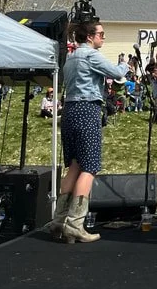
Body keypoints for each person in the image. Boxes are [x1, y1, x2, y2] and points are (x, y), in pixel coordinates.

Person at [46, 15, 128, 244]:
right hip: (87, 110)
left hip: (70, 111)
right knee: (89, 167)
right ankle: (75, 224)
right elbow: (117, 73)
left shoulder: (71, 57)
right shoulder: (91, 55)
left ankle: (58, 221)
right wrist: (125, 64)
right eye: (101, 35)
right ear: (90, 37)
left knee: (74, 164)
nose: (103, 38)